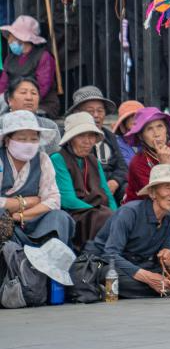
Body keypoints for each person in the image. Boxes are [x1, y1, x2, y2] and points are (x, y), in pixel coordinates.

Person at [83, 164, 170, 298]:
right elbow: (110, 255)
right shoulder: (129, 213)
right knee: (110, 274)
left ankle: (154, 288)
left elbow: (166, 249)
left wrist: (167, 255)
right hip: (112, 264)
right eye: (167, 188)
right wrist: (148, 277)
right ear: (153, 193)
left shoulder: (169, 215)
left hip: (141, 264)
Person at [0, 110, 73, 246]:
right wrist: (28, 202)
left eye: (34, 139)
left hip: (32, 222)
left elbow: (53, 200)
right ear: (7, 140)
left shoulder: (42, 159)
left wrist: (18, 216)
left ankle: (50, 260)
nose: (28, 143)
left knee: (60, 217)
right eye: (22, 139)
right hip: (3, 224)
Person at [51, 112, 118, 249]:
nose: (87, 141)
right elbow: (67, 199)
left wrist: (117, 215)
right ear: (70, 139)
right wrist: (100, 212)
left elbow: (107, 193)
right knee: (104, 218)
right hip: (74, 213)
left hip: (100, 211)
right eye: (81, 136)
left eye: (91, 136)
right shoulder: (58, 159)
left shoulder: (94, 160)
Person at [123, 107, 170, 203]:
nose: (156, 134)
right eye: (149, 129)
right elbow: (159, 197)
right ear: (141, 136)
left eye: (160, 126)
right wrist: (165, 165)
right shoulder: (138, 163)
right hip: (145, 209)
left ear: (166, 131)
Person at [64, 86, 128, 204]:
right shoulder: (70, 139)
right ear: (78, 113)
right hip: (87, 188)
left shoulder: (110, 136)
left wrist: (115, 181)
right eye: (90, 111)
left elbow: (122, 167)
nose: (96, 115)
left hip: (112, 186)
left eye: (100, 110)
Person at [0, 15, 58, 117]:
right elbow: (3, 84)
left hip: (41, 104)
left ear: (21, 39)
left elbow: (43, 87)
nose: (8, 41)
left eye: (11, 37)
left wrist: (23, 100)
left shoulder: (44, 57)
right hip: (12, 101)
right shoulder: (10, 58)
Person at [3, 78, 60, 152]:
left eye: (34, 93)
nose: (29, 98)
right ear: (10, 100)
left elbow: (55, 156)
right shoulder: (1, 124)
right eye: (23, 92)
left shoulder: (50, 126)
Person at [112, 100, 144, 165]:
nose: (134, 118)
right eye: (131, 116)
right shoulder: (117, 143)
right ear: (124, 121)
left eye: (138, 115)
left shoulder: (148, 140)